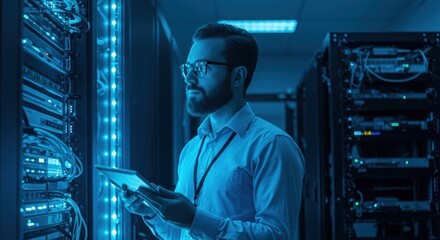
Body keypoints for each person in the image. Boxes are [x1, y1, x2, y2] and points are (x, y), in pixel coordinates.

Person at [121, 22, 305, 240]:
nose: (189, 79)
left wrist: (194, 219)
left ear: (237, 77)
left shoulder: (272, 144)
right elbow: (179, 235)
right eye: (187, 69)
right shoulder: (191, 149)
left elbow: (277, 236)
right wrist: (153, 212)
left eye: (201, 67)